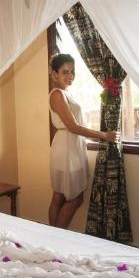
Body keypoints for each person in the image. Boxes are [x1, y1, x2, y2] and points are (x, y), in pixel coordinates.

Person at [48, 53, 117, 228]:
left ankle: (52, 238)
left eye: (72, 72)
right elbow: (73, 127)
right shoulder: (57, 95)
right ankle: (58, 237)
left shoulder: (66, 93)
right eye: (65, 72)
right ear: (54, 74)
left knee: (59, 195)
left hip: (71, 146)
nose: (70, 76)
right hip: (66, 148)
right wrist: (104, 135)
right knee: (74, 197)